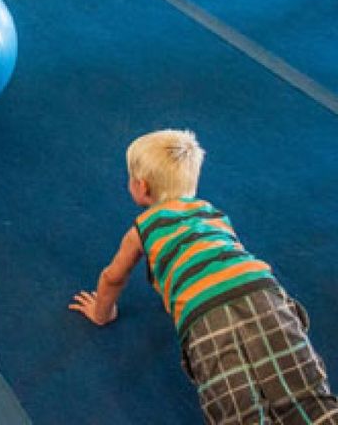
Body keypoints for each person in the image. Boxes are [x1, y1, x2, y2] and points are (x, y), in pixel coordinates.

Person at [69, 129, 338, 424]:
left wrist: (101, 312)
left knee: (240, 410)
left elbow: (113, 278)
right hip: (263, 292)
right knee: (307, 395)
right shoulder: (214, 214)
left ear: (140, 187)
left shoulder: (142, 229)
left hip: (206, 316)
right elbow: (221, 257)